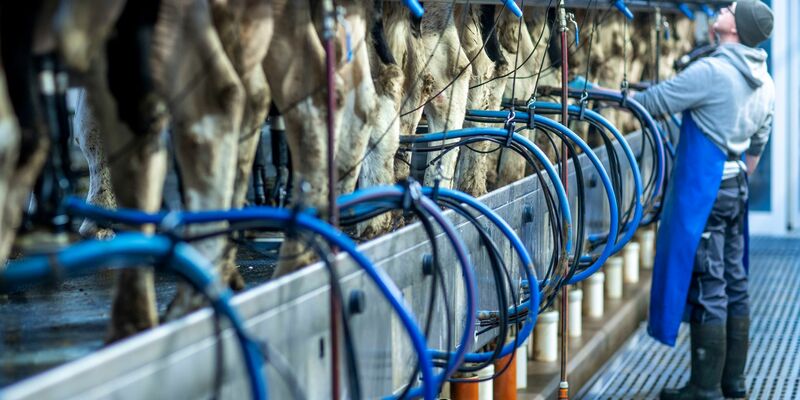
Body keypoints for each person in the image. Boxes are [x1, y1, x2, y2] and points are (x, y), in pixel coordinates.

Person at [631, 1, 775, 399]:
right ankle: (734, 381)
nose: (724, 7)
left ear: (735, 29)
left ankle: (705, 387)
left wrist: (603, 98)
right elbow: (757, 145)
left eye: (730, 9)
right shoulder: (765, 79)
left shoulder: (713, 72)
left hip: (707, 192)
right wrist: (734, 175)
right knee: (734, 281)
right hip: (735, 190)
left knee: (709, 282)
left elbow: (654, 103)